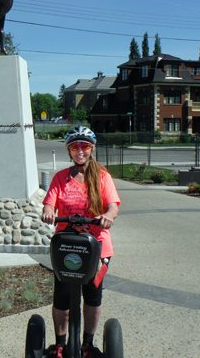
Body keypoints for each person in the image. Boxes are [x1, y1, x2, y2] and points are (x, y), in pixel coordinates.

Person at [42, 126, 121, 358]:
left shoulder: (102, 177)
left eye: (84, 146)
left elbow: (113, 205)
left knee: (92, 294)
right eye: (75, 147)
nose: (80, 151)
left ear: (91, 149)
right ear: (69, 151)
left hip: (96, 245)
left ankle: (87, 344)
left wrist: (108, 216)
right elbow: (50, 203)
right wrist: (48, 211)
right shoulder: (60, 178)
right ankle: (60, 344)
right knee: (62, 295)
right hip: (66, 245)